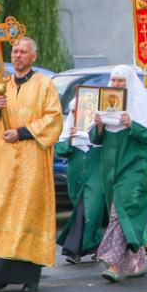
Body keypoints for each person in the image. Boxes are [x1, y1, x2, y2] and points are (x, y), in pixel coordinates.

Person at [0, 37, 63, 292]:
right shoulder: (0, 86)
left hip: (31, 162)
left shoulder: (44, 85)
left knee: (26, 213)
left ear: (33, 57)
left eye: (23, 52)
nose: (17, 56)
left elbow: (54, 119)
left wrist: (22, 132)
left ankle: (29, 278)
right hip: (2, 161)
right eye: (15, 51)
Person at [93, 65, 147, 282]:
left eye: (121, 81)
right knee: (125, 215)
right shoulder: (106, 106)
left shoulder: (139, 105)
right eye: (114, 81)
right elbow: (96, 140)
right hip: (111, 170)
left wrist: (132, 124)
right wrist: (98, 126)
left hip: (135, 168)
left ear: (129, 82)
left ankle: (114, 264)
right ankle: (137, 262)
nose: (117, 85)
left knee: (121, 212)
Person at [55, 99, 104, 264]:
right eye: (74, 111)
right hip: (76, 175)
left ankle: (73, 249)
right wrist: (71, 137)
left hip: (95, 172)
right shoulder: (69, 127)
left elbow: (99, 139)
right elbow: (61, 150)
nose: (78, 114)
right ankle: (97, 246)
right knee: (80, 210)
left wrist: (94, 128)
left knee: (90, 209)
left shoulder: (97, 129)